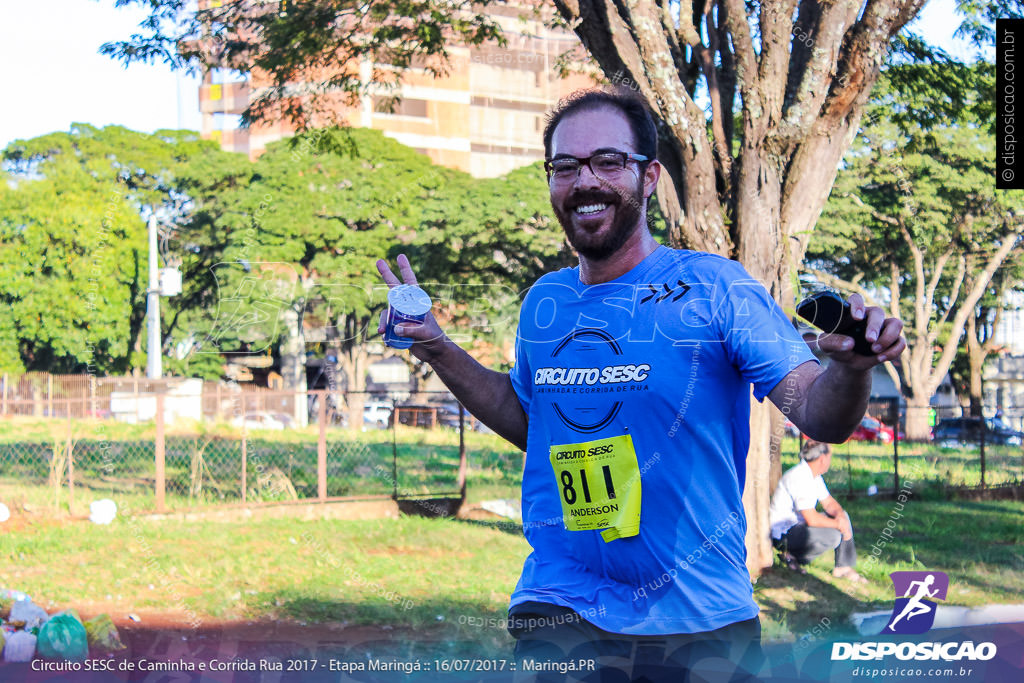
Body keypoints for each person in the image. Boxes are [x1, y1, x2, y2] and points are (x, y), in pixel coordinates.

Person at [376, 88, 905, 681]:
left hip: (697, 613)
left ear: (649, 177)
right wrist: (436, 348)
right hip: (561, 602)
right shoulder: (545, 302)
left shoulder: (716, 289)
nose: (585, 181)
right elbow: (534, 424)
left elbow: (815, 411)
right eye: (565, 167)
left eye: (607, 161)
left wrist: (853, 369)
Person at [769, 440, 866, 582]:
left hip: (798, 525)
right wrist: (839, 525)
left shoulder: (814, 475)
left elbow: (828, 502)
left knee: (843, 516)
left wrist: (839, 516)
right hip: (784, 533)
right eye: (830, 457)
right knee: (833, 535)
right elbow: (811, 519)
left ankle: (843, 566)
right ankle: (792, 555)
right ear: (822, 459)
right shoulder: (799, 477)